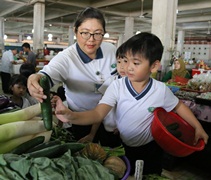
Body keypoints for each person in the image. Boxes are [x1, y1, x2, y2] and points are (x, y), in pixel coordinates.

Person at [51, 32, 209, 176]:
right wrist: (71, 115)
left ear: (153, 66)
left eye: (136, 63)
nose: (128, 67)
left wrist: (198, 127)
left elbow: (179, 106)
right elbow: (98, 113)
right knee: (125, 173)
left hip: (150, 148)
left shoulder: (160, 90)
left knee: (150, 175)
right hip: (123, 146)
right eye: (126, 61)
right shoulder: (117, 86)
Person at [27, 7, 117, 143]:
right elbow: (47, 73)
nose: (91, 40)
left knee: (112, 149)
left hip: (111, 116)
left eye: (98, 33)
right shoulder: (66, 58)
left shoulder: (111, 50)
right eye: (85, 33)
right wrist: (34, 78)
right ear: (75, 31)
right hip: (80, 118)